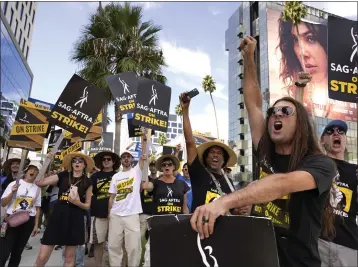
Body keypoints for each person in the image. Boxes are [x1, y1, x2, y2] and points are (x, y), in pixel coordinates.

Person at [190, 36, 337, 267]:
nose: (276, 114)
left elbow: (282, 185)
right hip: (259, 257)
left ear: (300, 124)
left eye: (286, 111)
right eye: (273, 112)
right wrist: (249, 57)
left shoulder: (320, 164)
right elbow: (253, 104)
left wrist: (223, 202)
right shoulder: (266, 150)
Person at [179, 92, 237, 213]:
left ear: (224, 160)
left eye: (219, 153)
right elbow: (190, 142)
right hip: (200, 231)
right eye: (212, 152)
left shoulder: (229, 183)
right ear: (205, 157)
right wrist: (185, 110)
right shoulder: (199, 174)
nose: (215, 155)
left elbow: (233, 211)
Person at [34, 152, 94, 267]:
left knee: (69, 259)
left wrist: (77, 202)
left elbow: (87, 205)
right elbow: (40, 182)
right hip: (58, 216)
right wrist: (47, 163)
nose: (77, 162)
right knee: (41, 258)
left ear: (84, 165)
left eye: (80, 161)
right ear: (71, 164)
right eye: (74, 160)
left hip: (75, 219)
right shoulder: (63, 175)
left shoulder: (88, 181)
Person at [318, 120, 358, 267]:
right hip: (318, 241)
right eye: (330, 131)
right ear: (322, 140)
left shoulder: (355, 171)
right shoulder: (315, 165)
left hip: (348, 246)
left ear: (345, 139)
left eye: (341, 131)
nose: (336, 133)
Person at [142, 154, 190, 266]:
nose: (167, 166)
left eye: (169, 164)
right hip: (158, 224)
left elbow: (184, 206)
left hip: (176, 223)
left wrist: (186, 221)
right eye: (164, 165)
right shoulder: (156, 182)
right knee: (152, 253)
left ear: (174, 167)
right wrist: (144, 166)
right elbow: (146, 186)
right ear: (161, 168)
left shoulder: (181, 184)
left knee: (174, 254)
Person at [107, 134, 146, 267]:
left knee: (134, 247)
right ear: (121, 160)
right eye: (124, 157)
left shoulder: (136, 172)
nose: (126, 159)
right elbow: (112, 197)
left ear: (131, 159)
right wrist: (109, 213)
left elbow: (144, 154)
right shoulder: (116, 176)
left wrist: (144, 137)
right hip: (116, 215)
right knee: (113, 246)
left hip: (132, 215)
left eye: (128, 157)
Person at [1, 162, 42, 267]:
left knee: (17, 252)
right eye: (31, 169)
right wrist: (12, 192)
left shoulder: (37, 188)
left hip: (28, 222)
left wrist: (36, 225)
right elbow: (3, 203)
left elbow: (37, 208)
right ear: (26, 170)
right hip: (11, 221)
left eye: (35, 170)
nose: (32, 171)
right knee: (4, 252)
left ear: (38, 173)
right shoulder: (14, 184)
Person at [89, 151, 120, 267]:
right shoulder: (95, 176)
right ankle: (98, 265)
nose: (106, 161)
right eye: (104, 159)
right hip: (98, 214)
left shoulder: (118, 176)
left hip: (115, 215)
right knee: (98, 243)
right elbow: (88, 192)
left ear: (113, 162)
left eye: (108, 159)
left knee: (115, 244)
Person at [140, 160, 157, 242]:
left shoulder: (160, 180)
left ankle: (150, 254)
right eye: (151, 166)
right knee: (140, 237)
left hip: (155, 213)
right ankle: (138, 254)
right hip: (144, 211)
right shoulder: (144, 179)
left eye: (155, 165)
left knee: (153, 238)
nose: (153, 168)